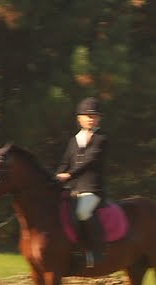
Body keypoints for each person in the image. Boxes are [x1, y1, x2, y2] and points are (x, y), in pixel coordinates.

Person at [56, 97, 108, 267]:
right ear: (79, 118)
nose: (90, 119)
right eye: (87, 115)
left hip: (92, 190)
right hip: (72, 189)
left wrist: (69, 175)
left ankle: (94, 252)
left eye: (94, 116)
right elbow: (65, 162)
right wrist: (55, 177)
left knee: (83, 212)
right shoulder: (73, 141)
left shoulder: (101, 139)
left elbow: (90, 162)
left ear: (99, 119)